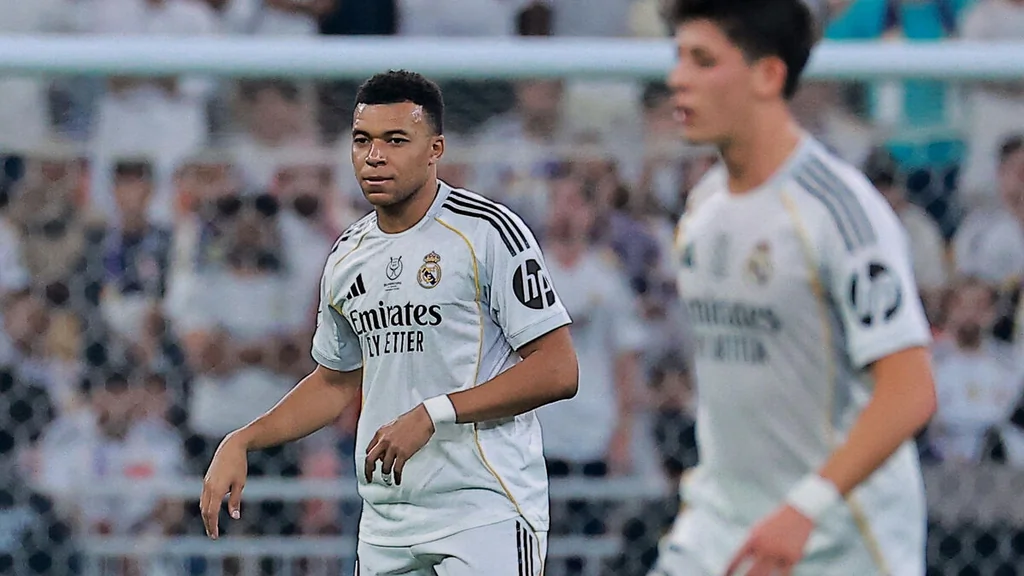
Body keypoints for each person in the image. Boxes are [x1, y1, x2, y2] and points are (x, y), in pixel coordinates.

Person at [199, 70, 578, 576]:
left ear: (435, 149)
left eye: (396, 140)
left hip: (484, 507)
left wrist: (434, 413)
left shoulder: (488, 233)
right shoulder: (347, 256)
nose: (374, 156)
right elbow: (334, 382)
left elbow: (558, 370)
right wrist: (244, 438)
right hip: (387, 521)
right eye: (363, 140)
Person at [650, 1, 938, 575]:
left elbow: (910, 391)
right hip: (718, 533)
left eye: (703, 61)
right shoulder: (703, 208)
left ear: (768, 75)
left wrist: (804, 508)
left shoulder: (840, 212)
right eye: (678, 58)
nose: (678, 78)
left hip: (836, 545)